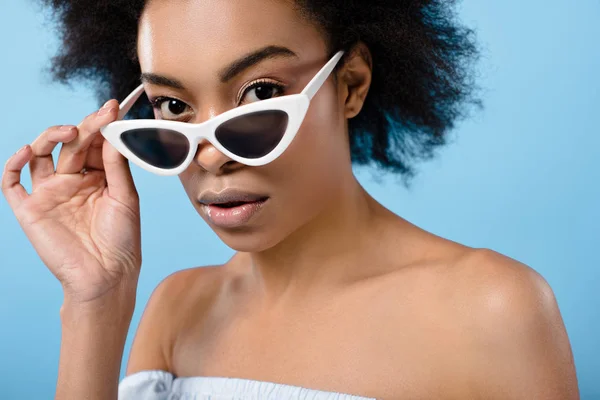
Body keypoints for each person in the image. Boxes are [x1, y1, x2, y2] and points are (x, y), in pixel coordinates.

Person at [2, 0, 579, 399]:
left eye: (260, 94)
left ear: (349, 83)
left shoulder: (491, 310)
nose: (209, 156)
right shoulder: (177, 311)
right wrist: (93, 302)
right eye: (173, 106)